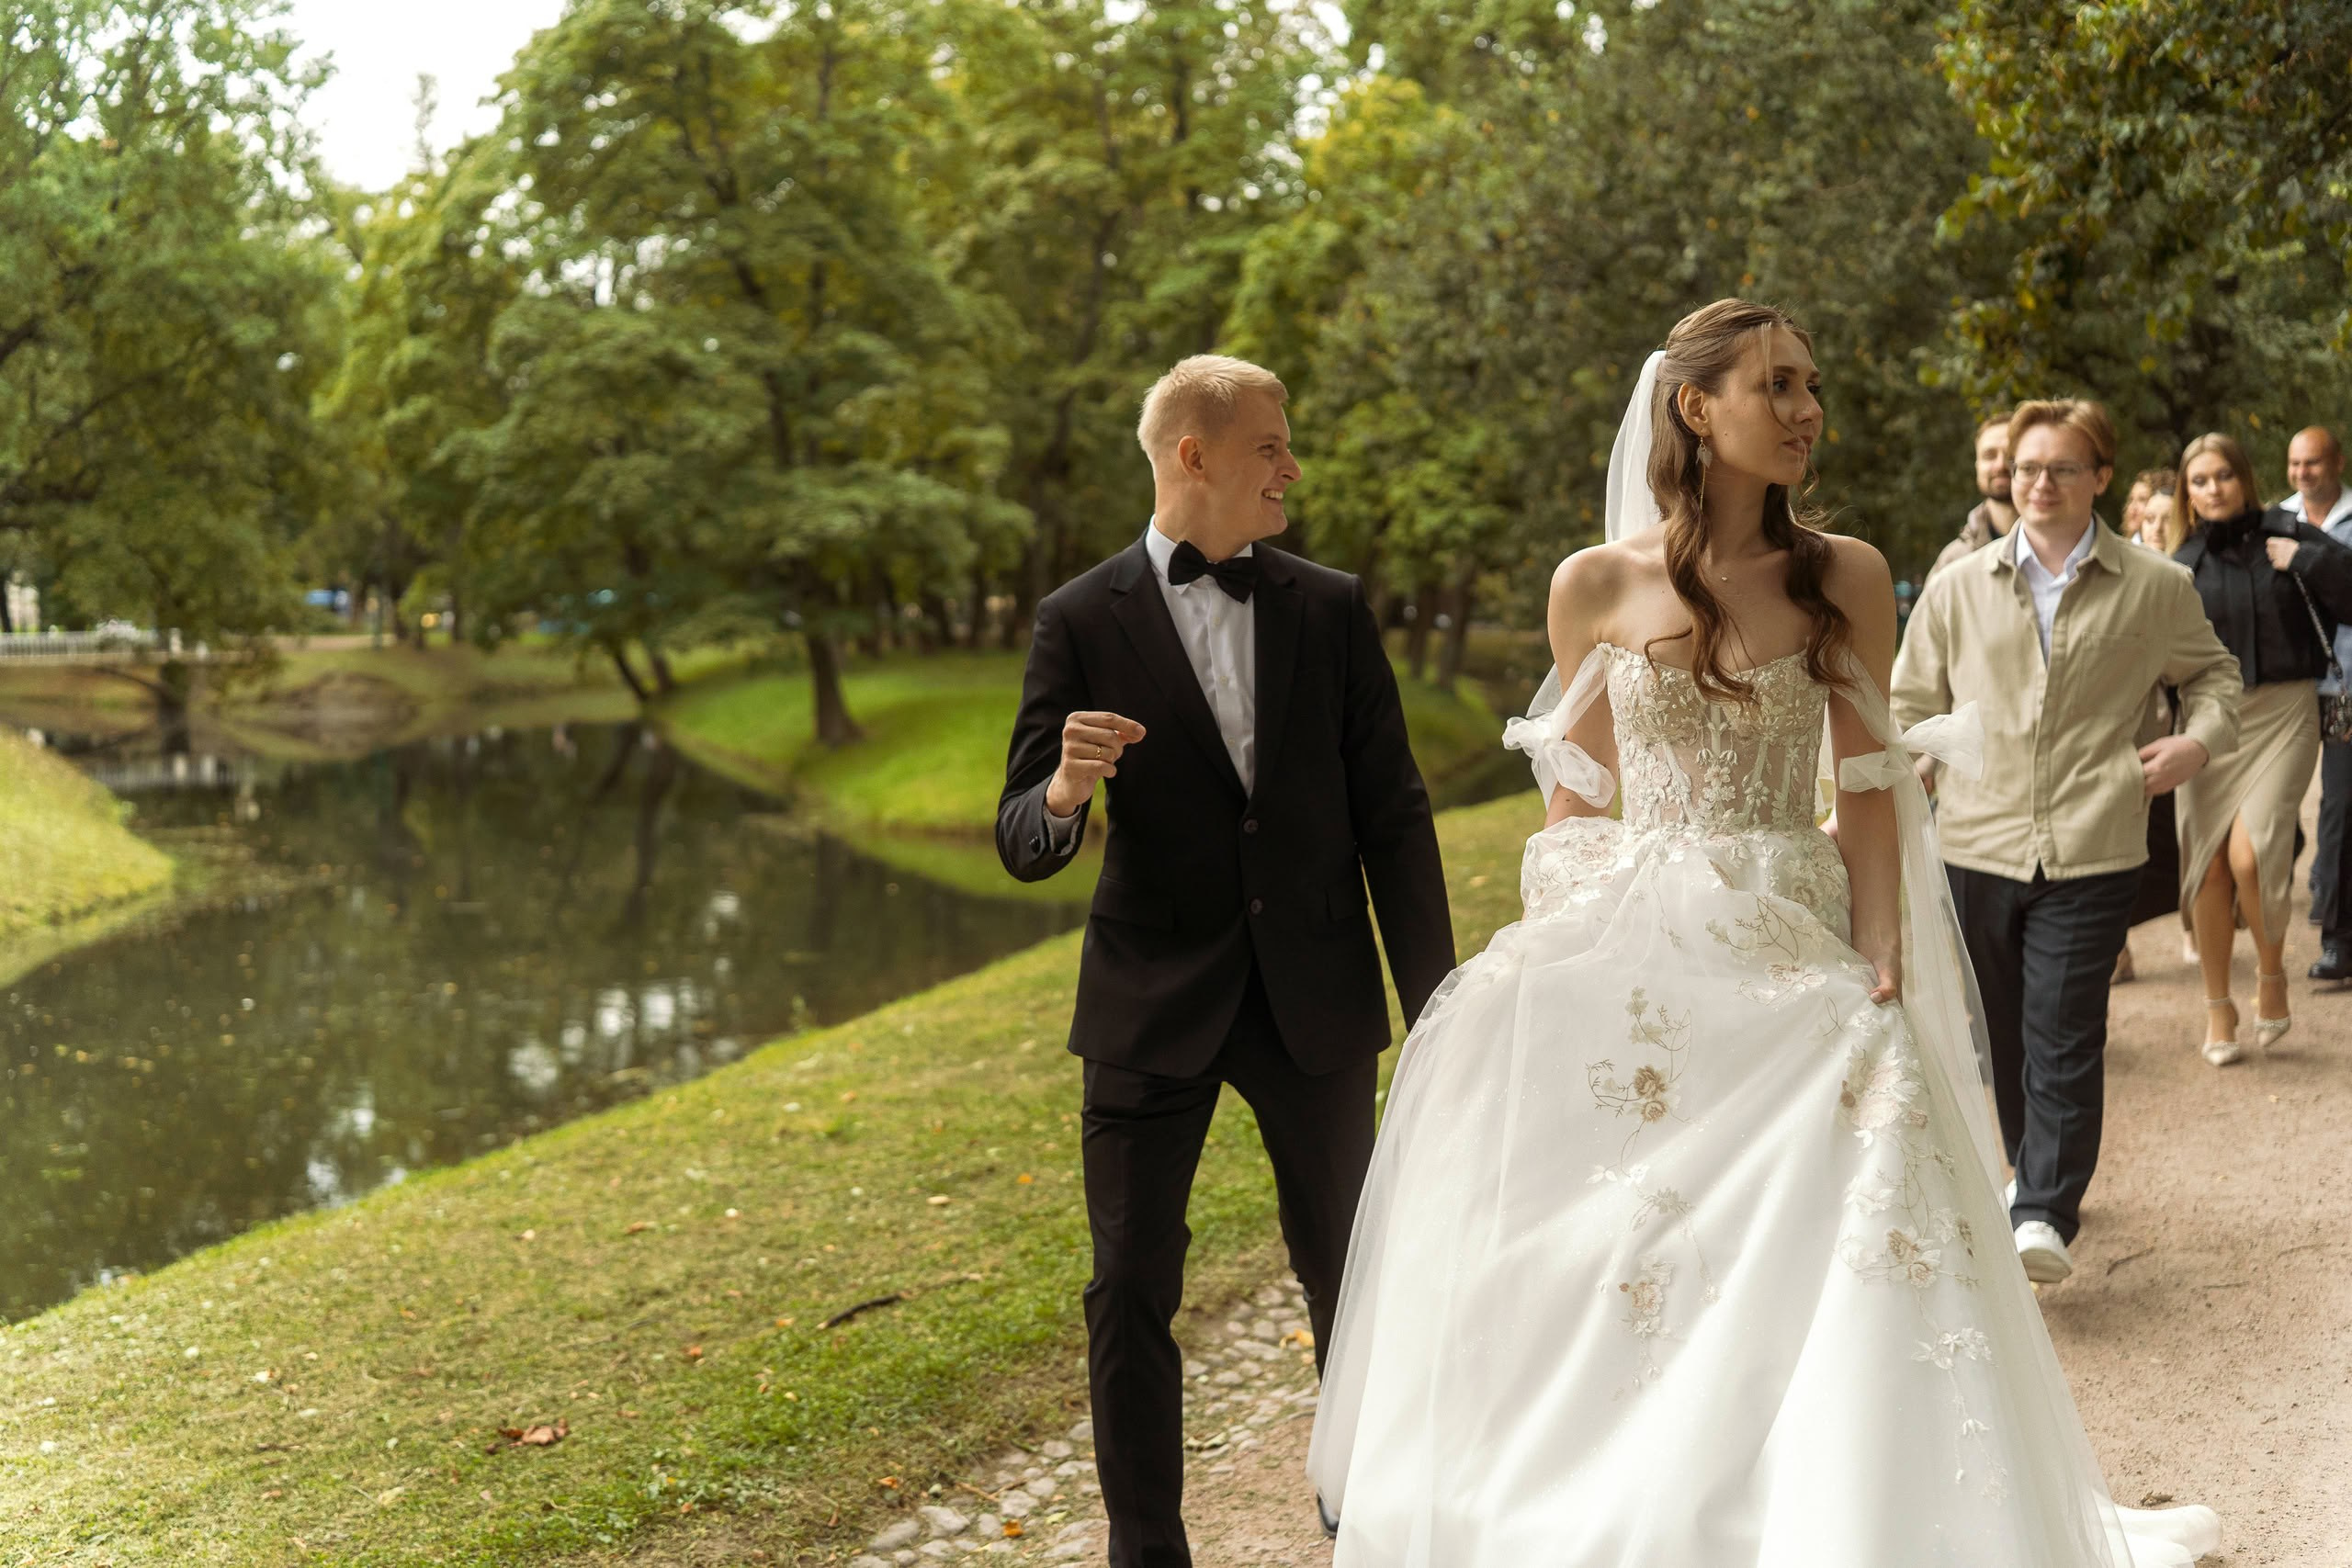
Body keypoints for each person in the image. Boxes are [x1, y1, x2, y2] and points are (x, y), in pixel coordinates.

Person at [1305, 301, 2220, 1566]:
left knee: (1839, 1213)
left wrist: (1882, 952)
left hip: (1791, 939)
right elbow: (1580, 795)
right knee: (1636, 1232)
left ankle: (1835, 1505)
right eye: (1775, 385)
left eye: (1811, 386)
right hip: (1639, 955)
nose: (1805, 410)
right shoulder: (1595, 583)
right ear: (1696, 406)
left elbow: (1867, 782)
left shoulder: (1839, 574)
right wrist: (1557, 953)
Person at [995, 354, 1454, 1568]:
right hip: (1151, 1002)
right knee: (1127, 1284)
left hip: (1315, 994)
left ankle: (1367, 1519)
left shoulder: (1331, 605)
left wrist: (1441, 1004)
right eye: (1271, 443)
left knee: (1348, 1275)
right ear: (1192, 455)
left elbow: (1394, 815)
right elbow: (1023, 839)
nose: (1292, 465)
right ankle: (1146, 1547)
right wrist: (1066, 784)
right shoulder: (1078, 619)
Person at [1893, 400, 2238, 1281]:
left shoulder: (2157, 586)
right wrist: (1911, 774)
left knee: (2063, 1024)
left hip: (2095, 838)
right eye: (2023, 468)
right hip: (1977, 835)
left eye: (2059, 468)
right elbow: (1909, 705)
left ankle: (2046, 1207)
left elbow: (2213, 675)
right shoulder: (1957, 586)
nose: (2037, 483)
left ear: (2100, 478)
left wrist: (2197, 740)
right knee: (2000, 1028)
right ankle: (2029, 1174)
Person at [2155, 433, 2352, 1056]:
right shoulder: (2177, 562)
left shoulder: (2288, 529)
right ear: (2187, 492)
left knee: (2250, 852)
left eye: (2223, 476)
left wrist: (2307, 560)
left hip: (2285, 710)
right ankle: (2219, 1009)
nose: (2213, 489)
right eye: (2199, 481)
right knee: (2209, 868)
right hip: (2206, 721)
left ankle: (2271, 968)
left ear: (2243, 477)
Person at [2281, 428, 2352, 975]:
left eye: (2314, 462)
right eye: (2295, 463)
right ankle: (2320, 875)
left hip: (2347, 686)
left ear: (2338, 462)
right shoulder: (2272, 519)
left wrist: (2304, 555)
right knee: (2283, 802)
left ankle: (2338, 936)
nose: (2304, 472)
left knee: (2341, 801)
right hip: (2286, 687)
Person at [1927, 412, 2018, 581]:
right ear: (1977, 466)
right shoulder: (1953, 560)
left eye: (2011, 455)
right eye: (1989, 455)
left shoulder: (2062, 548)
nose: (2000, 465)